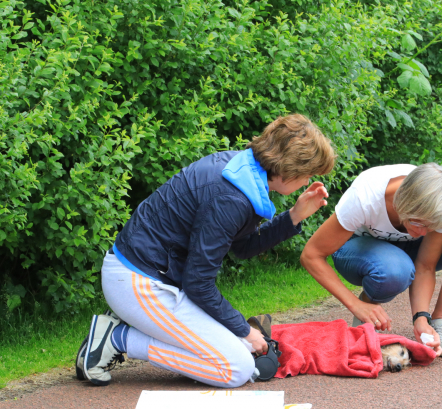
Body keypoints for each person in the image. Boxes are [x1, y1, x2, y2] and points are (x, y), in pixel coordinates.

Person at [78, 114, 336, 387]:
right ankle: (118, 339)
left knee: (238, 345)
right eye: (307, 174)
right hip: (138, 284)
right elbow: (198, 283)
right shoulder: (231, 195)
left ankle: (126, 330)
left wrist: (294, 216)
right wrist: (244, 330)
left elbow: (241, 247)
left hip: (145, 276)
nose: (307, 180)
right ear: (289, 168)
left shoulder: (240, 169)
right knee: (236, 368)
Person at [300, 163, 442, 357]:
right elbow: (311, 255)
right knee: (394, 269)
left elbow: (426, 265)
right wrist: (356, 305)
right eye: (419, 224)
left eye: (431, 228)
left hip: (406, 254)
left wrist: (421, 319)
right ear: (403, 202)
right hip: (358, 249)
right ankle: (368, 309)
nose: (423, 233)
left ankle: (439, 322)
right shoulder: (366, 195)